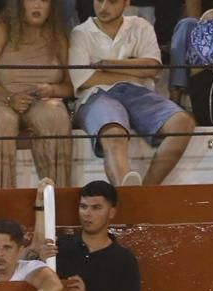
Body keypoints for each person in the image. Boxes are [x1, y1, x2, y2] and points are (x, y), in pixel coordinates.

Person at [69, 0, 194, 187]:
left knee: (182, 123)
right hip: (96, 94)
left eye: (112, 1)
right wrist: (133, 71)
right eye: (99, 0)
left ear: (126, 2)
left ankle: (146, 190)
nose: (103, 7)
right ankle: (125, 190)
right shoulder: (80, 32)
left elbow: (152, 67)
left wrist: (107, 65)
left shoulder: (141, 26)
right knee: (113, 133)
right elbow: (84, 79)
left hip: (138, 93)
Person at [0, 0, 74, 189]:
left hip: (38, 102)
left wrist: (52, 90)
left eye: (44, 0)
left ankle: (55, 196)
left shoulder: (57, 35)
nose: (37, 5)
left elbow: (70, 86)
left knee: (56, 115)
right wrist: (9, 98)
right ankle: (4, 196)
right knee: (1, 120)